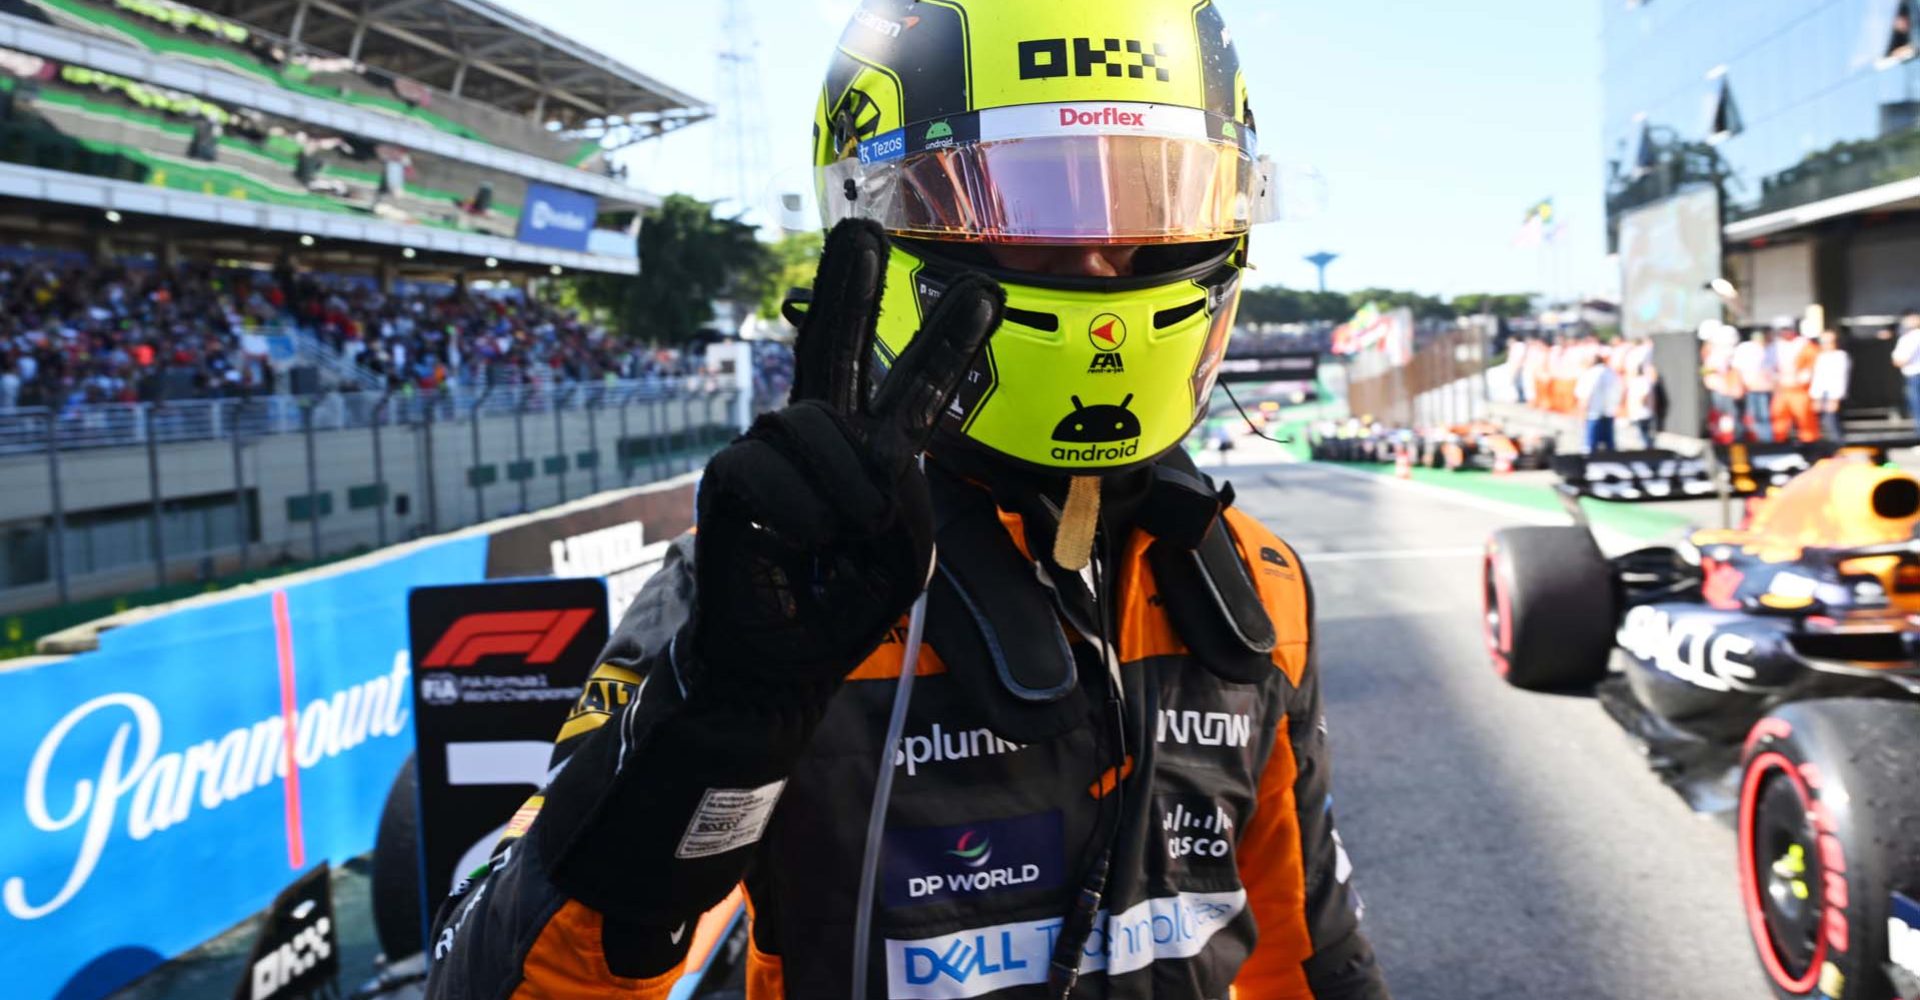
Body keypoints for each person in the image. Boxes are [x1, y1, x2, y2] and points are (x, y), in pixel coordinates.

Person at [422, 4, 1392, 999]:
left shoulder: (1256, 581)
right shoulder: (778, 585)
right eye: (1033, 205)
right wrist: (705, 736)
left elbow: (1310, 954)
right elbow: (500, 980)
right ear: (879, 223)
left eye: (1154, 199)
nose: (1103, 259)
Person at [1770, 320, 1820, 443]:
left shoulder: (1804, 345)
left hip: (1799, 389)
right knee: (1778, 416)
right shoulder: (1774, 346)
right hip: (1782, 389)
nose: (1785, 333)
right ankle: (1779, 442)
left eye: (1787, 329)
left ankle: (1810, 443)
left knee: (1804, 416)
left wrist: (1800, 378)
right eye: (1782, 330)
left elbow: (1812, 366)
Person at [1731, 328, 1777, 442]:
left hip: (1762, 389)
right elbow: (1737, 369)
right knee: (1752, 417)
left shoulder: (1768, 349)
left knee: (1763, 417)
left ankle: (1766, 442)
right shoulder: (1746, 349)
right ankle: (1754, 440)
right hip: (1749, 389)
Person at [1575, 349, 1622, 452]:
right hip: (1608, 412)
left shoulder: (1591, 374)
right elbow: (1619, 390)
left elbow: (1586, 395)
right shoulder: (1610, 372)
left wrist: (1582, 412)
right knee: (1609, 446)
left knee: (1590, 446)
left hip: (1593, 413)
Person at [1811, 330, 1851, 442]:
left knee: (1833, 424)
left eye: (1829, 342)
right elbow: (1817, 378)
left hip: (1833, 395)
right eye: (1823, 342)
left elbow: (1840, 378)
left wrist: (1835, 398)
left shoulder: (1840, 356)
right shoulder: (1820, 357)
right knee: (1822, 425)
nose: (1826, 345)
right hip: (1821, 394)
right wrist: (1816, 397)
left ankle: (1838, 447)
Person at [1893, 311, 1920, 433]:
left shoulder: (1916, 336)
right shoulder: (1906, 337)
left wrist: (1900, 360)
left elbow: (1902, 359)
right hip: (1911, 375)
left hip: (1916, 375)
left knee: (1917, 406)